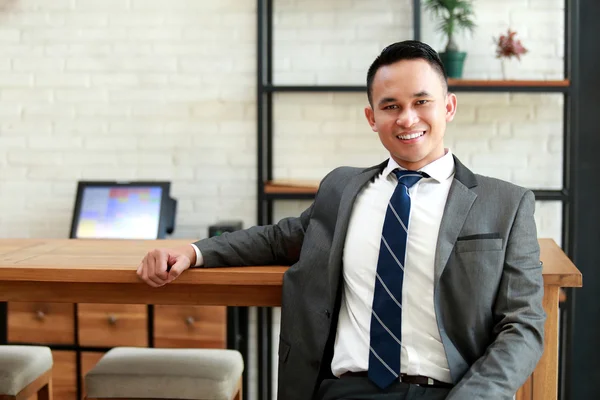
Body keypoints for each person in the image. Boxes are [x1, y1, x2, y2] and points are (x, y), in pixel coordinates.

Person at [137, 40, 545, 400]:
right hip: (348, 389)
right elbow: (280, 239)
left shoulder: (506, 204)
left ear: (449, 106)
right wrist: (193, 252)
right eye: (391, 106)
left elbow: (523, 327)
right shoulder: (342, 188)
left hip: (452, 391)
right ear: (372, 118)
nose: (407, 118)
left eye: (422, 101)